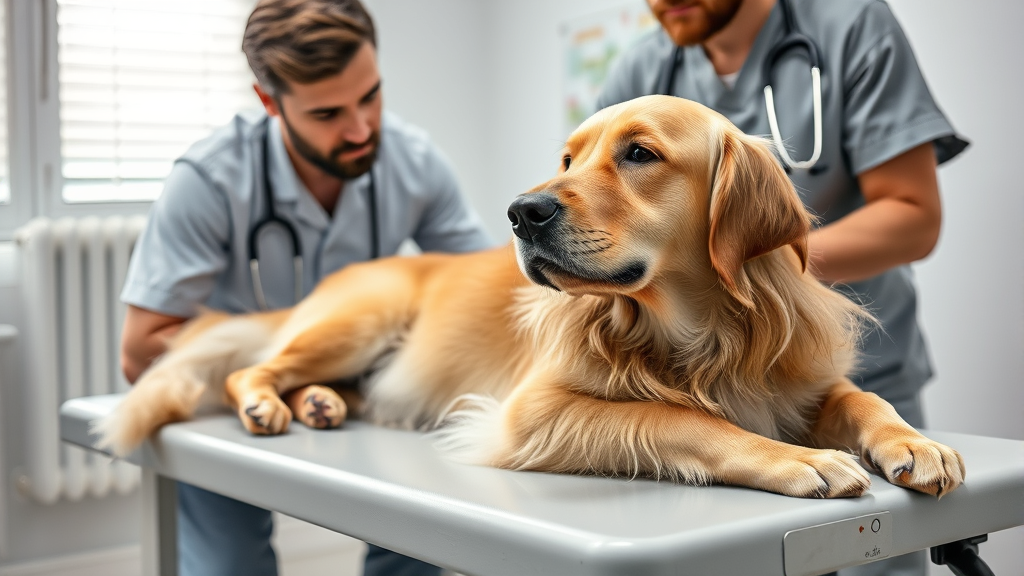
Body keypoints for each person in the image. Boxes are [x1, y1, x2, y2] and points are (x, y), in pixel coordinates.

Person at [118, 1, 492, 575]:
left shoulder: (413, 162)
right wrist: (304, 351)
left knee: (420, 543)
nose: (362, 129)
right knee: (228, 567)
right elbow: (140, 350)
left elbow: (483, 288)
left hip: (362, 398)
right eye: (327, 113)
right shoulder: (210, 180)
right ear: (270, 102)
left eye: (370, 96)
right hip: (232, 410)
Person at [596, 1, 967, 575]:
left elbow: (912, 214)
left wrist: (737, 256)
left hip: (847, 378)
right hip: (693, 397)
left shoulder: (850, 27)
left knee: (877, 563)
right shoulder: (640, 73)